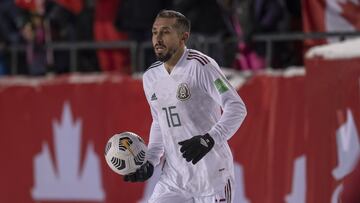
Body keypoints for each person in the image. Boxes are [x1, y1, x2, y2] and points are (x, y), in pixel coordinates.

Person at [124, 10, 247, 203]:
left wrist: (210, 139)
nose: (157, 38)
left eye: (165, 32)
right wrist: (151, 160)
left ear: (183, 37)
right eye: (155, 32)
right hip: (174, 180)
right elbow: (159, 121)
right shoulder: (151, 77)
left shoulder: (201, 66)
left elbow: (236, 107)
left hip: (212, 178)